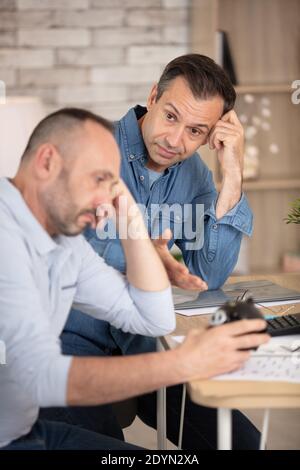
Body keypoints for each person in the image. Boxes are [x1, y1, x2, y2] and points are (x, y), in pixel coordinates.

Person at [0, 108, 269, 450]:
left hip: (27, 434)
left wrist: (130, 217)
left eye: (113, 182)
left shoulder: (64, 242)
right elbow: (42, 377)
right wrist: (184, 362)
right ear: (47, 161)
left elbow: (153, 319)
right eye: (99, 179)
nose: (104, 200)